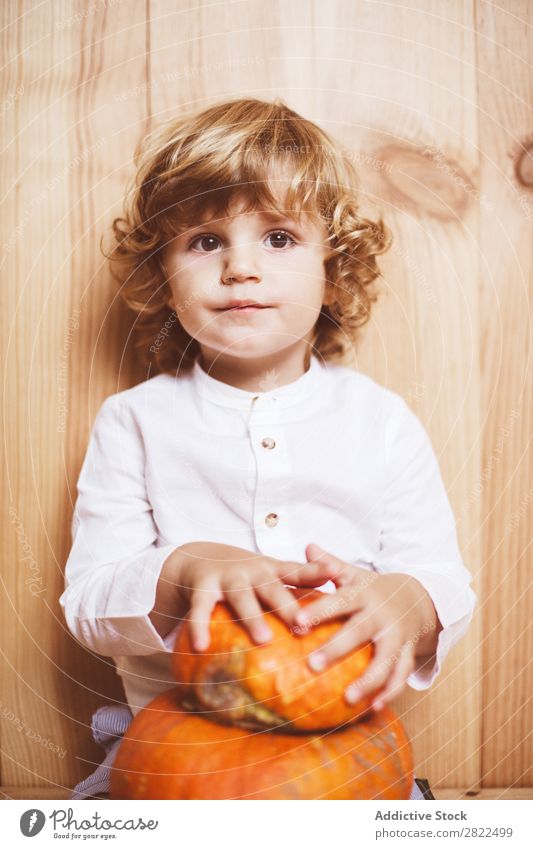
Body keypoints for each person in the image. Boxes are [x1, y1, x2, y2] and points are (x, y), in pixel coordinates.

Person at [60, 96, 476, 800]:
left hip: (346, 750)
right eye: (204, 241)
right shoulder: (133, 421)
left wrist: (409, 601)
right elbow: (89, 604)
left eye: (278, 238)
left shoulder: (380, 420)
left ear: (333, 270)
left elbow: (439, 572)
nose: (240, 267)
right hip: (173, 750)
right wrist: (183, 567)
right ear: (162, 275)